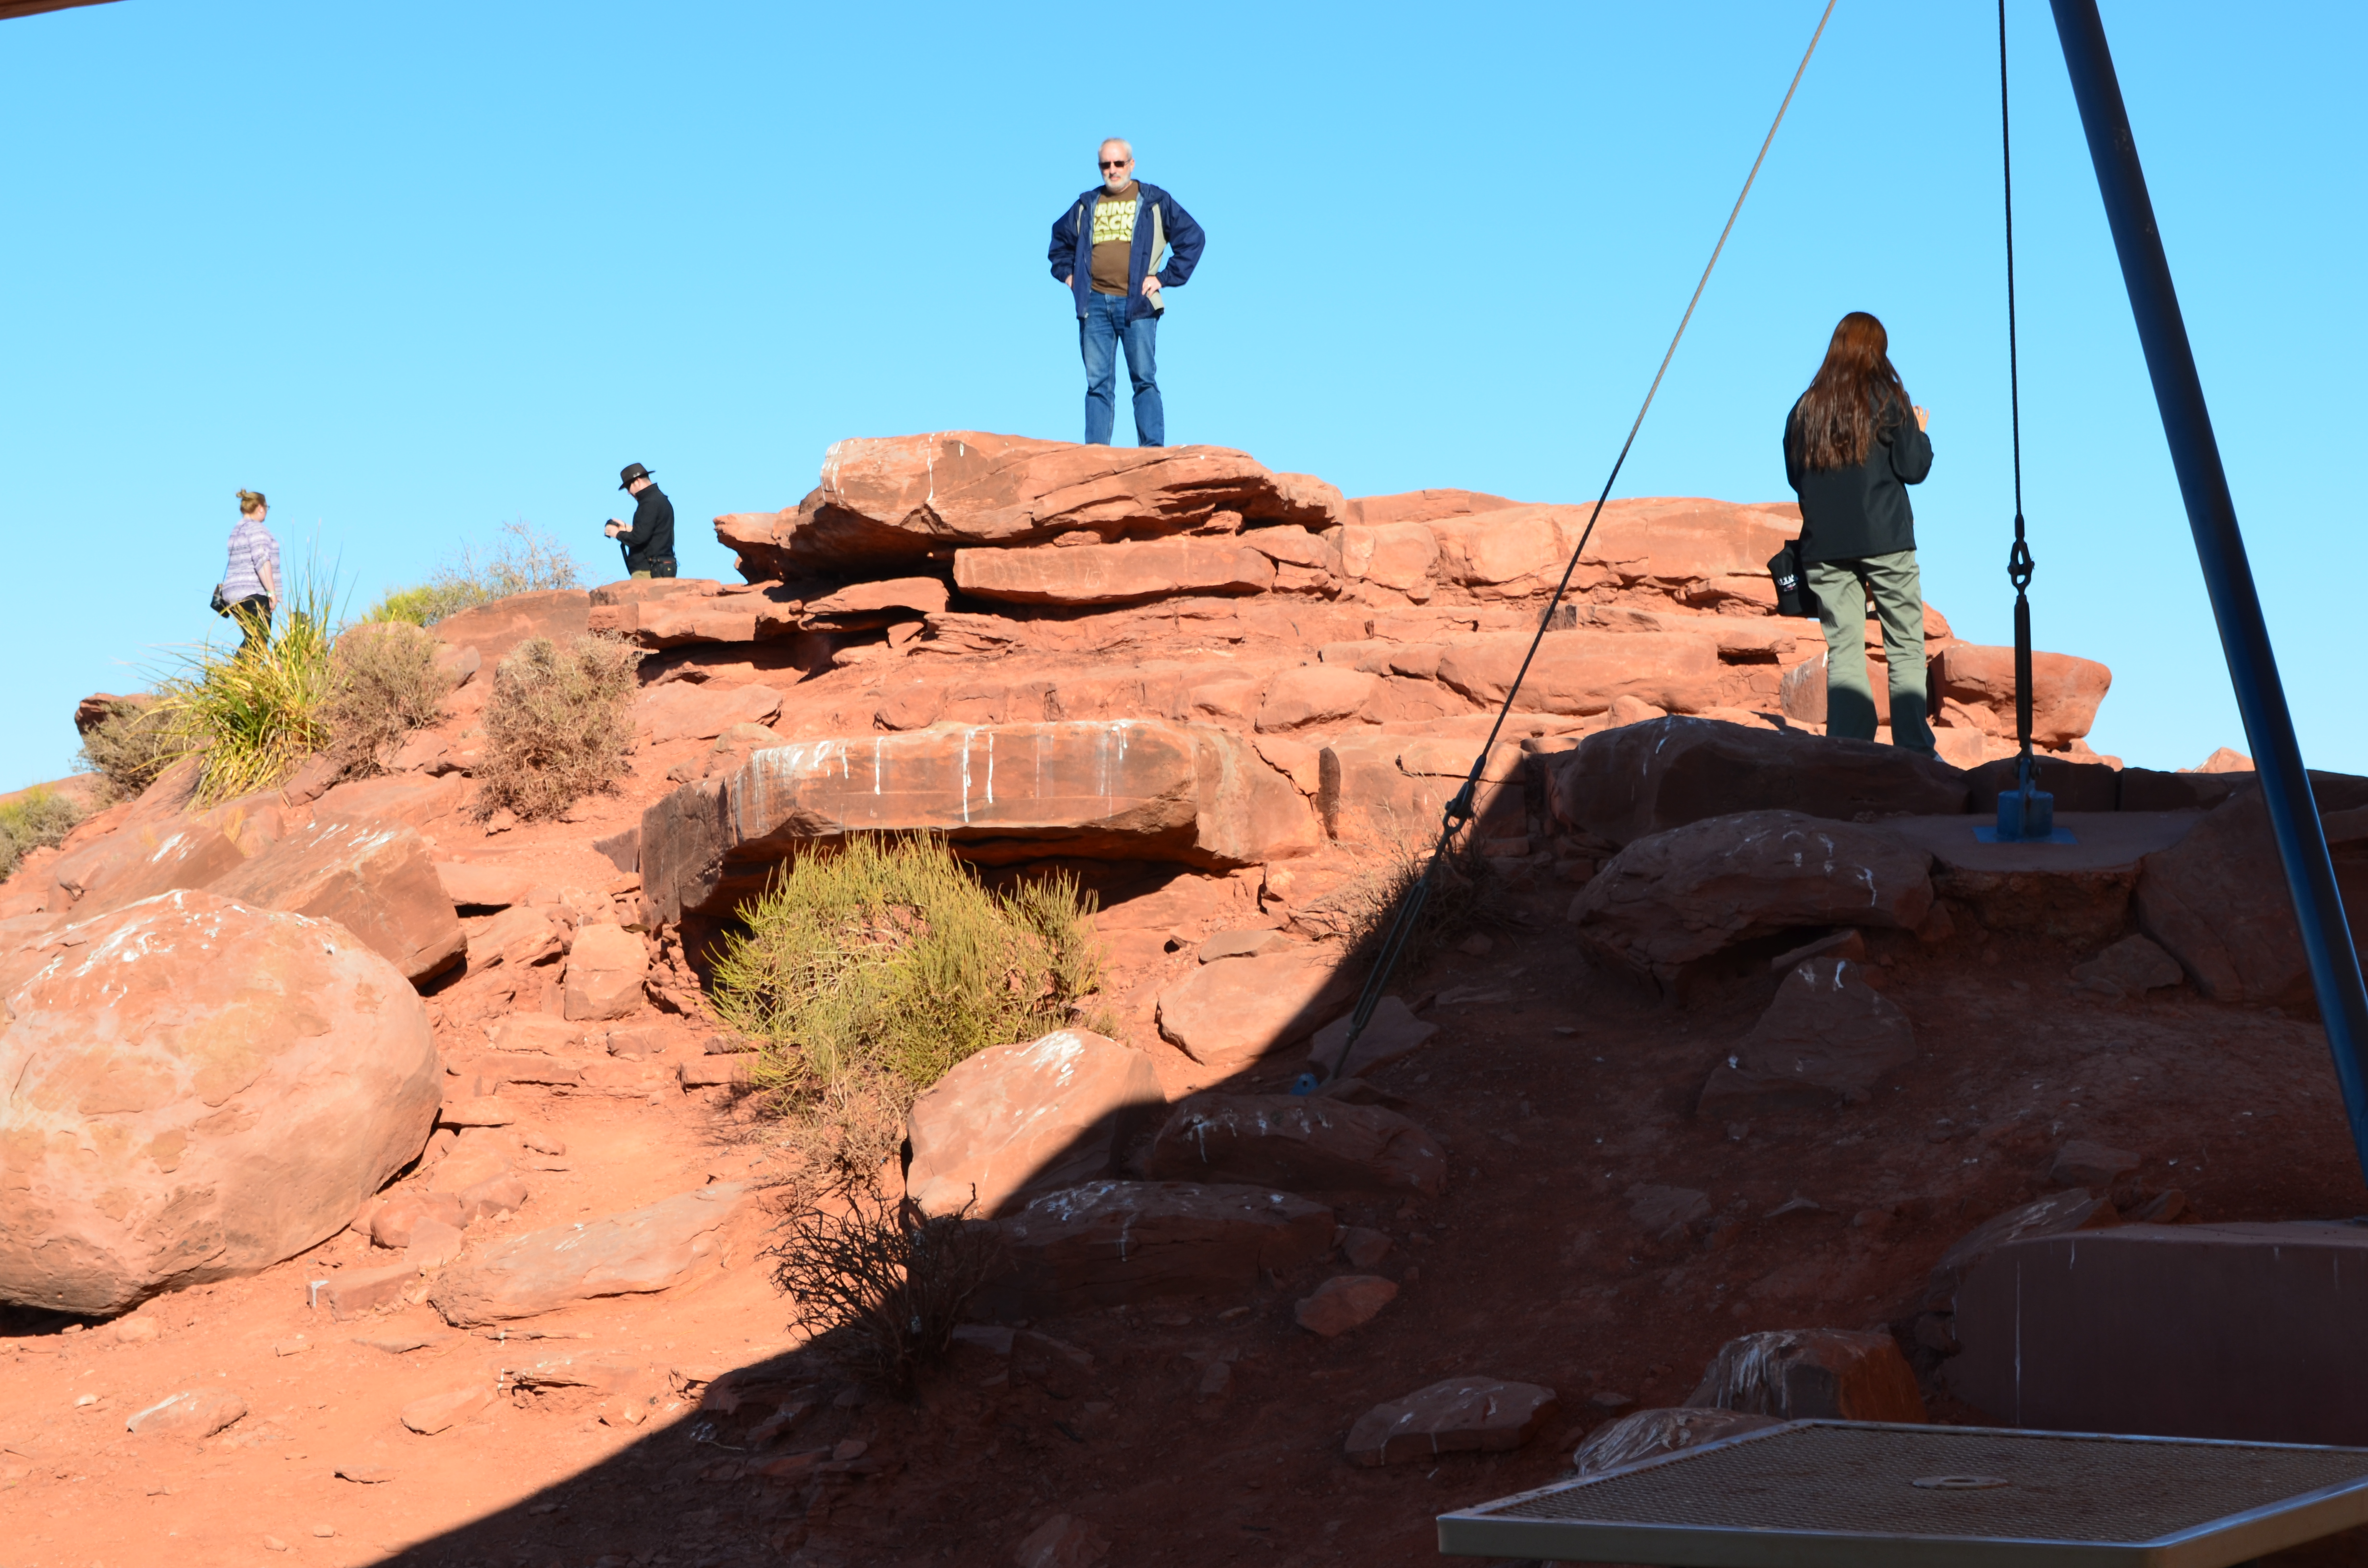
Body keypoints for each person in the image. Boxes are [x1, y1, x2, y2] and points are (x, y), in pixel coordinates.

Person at [1783, 311, 1936, 755]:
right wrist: (1920, 432)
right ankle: (1914, 751)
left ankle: (1848, 751)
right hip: (1885, 538)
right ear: (1878, 351)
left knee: (1845, 649)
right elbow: (1914, 468)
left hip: (1824, 547)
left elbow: (1796, 476)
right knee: (1905, 642)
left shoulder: (1805, 409)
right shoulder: (1888, 398)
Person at [1048, 138, 1205, 447]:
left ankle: (1152, 453)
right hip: (1093, 305)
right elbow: (1059, 243)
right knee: (1097, 385)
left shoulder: (1154, 201)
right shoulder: (1086, 204)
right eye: (1106, 165)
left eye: (1119, 164)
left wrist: (1163, 278)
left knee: (1144, 380)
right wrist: (1069, 277)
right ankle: (1095, 454)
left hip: (1138, 305)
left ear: (1131, 165)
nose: (1112, 170)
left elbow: (1194, 238)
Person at [219, 489, 281, 654]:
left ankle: (238, 676)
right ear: (261, 507)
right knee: (259, 640)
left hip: (233, 595)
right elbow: (261, 560)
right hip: (253, 592)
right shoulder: (257, 529)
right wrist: (271, 592)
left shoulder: (236, 531)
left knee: (252, 638)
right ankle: (235, 675)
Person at [604, 463, 676, 578]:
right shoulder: (662, 500)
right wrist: (627, 529)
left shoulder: (648, 503)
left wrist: (617, 534)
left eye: (628, 487)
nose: (628, 492)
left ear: (638, 481)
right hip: (664, 567)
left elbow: (639, 538)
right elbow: (654, 533)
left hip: (648, 570)